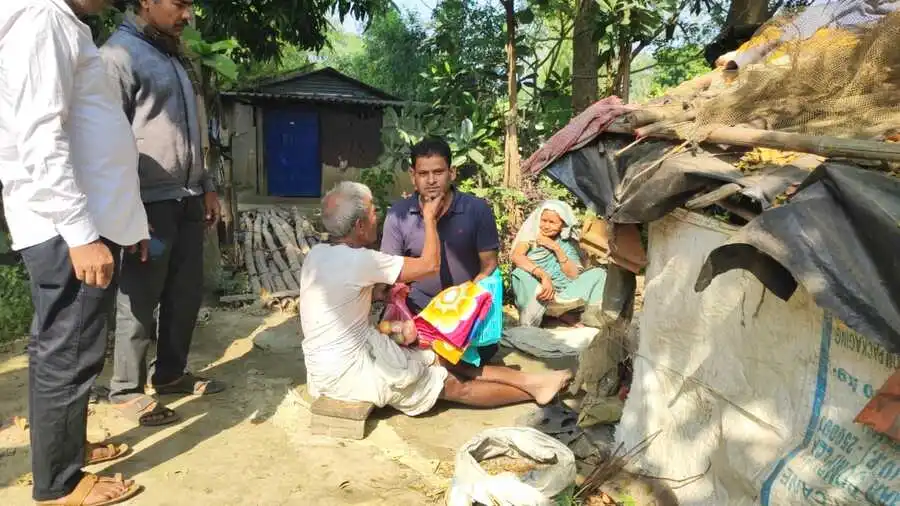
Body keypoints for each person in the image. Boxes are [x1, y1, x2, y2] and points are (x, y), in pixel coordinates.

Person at [0, 0, 148, 503]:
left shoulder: (59, 21)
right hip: (68, 230)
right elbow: (41, 136)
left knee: (62, 350)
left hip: (76, 223)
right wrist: (82, 234)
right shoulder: (42, 18)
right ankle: (61, 485)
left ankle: (67, 450)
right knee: (69, 353)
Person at [299, 182, 572, 416]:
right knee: (450, 384)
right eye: (373, 212)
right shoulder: (360, 260)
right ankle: (532, 391)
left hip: (329, 363)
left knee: (439, 355)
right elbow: (429, 265)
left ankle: (533, 381)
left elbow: (350, 294)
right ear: (359, 226)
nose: (377, 217)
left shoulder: (318, 254)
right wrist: (429, 219)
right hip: (347, 372)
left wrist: (384, 293)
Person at [100, 0, 224, 427]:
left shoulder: (175, 56)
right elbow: (107, 140)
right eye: (179, 3)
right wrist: (127, 207)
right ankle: (126, 390)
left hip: (188, 196)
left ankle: (170, 374)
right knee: (139, 295)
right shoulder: (118, 56)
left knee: (185, 293)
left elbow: (194, 134)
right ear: (147, 2)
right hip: (148, 201)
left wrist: (206, 187)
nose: (187, 14)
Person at [381, 136, 501, 360]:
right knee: (392, 346)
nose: (431, 180)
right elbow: (390, 272)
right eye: (423, 174)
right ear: (412, 176)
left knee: (476, 355)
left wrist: (464, 304)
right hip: (418, 311)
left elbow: (489, 265)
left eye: (438, 172)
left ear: (452, 173)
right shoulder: (397, 215)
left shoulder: (477, 210)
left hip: (467, 310)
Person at [511, 200, 607, 327]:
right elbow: (516, 256)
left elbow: (573, 275)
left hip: (563, 296)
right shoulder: (531, 238)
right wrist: (544, 276)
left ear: (562, 224)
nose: (546, 226)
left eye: (552, 222)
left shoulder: (567, 242)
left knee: (599, 273)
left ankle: (588, 318)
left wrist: (556, 248)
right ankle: (535, 318)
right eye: (544, 220)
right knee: (519, 273)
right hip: (540, 293)